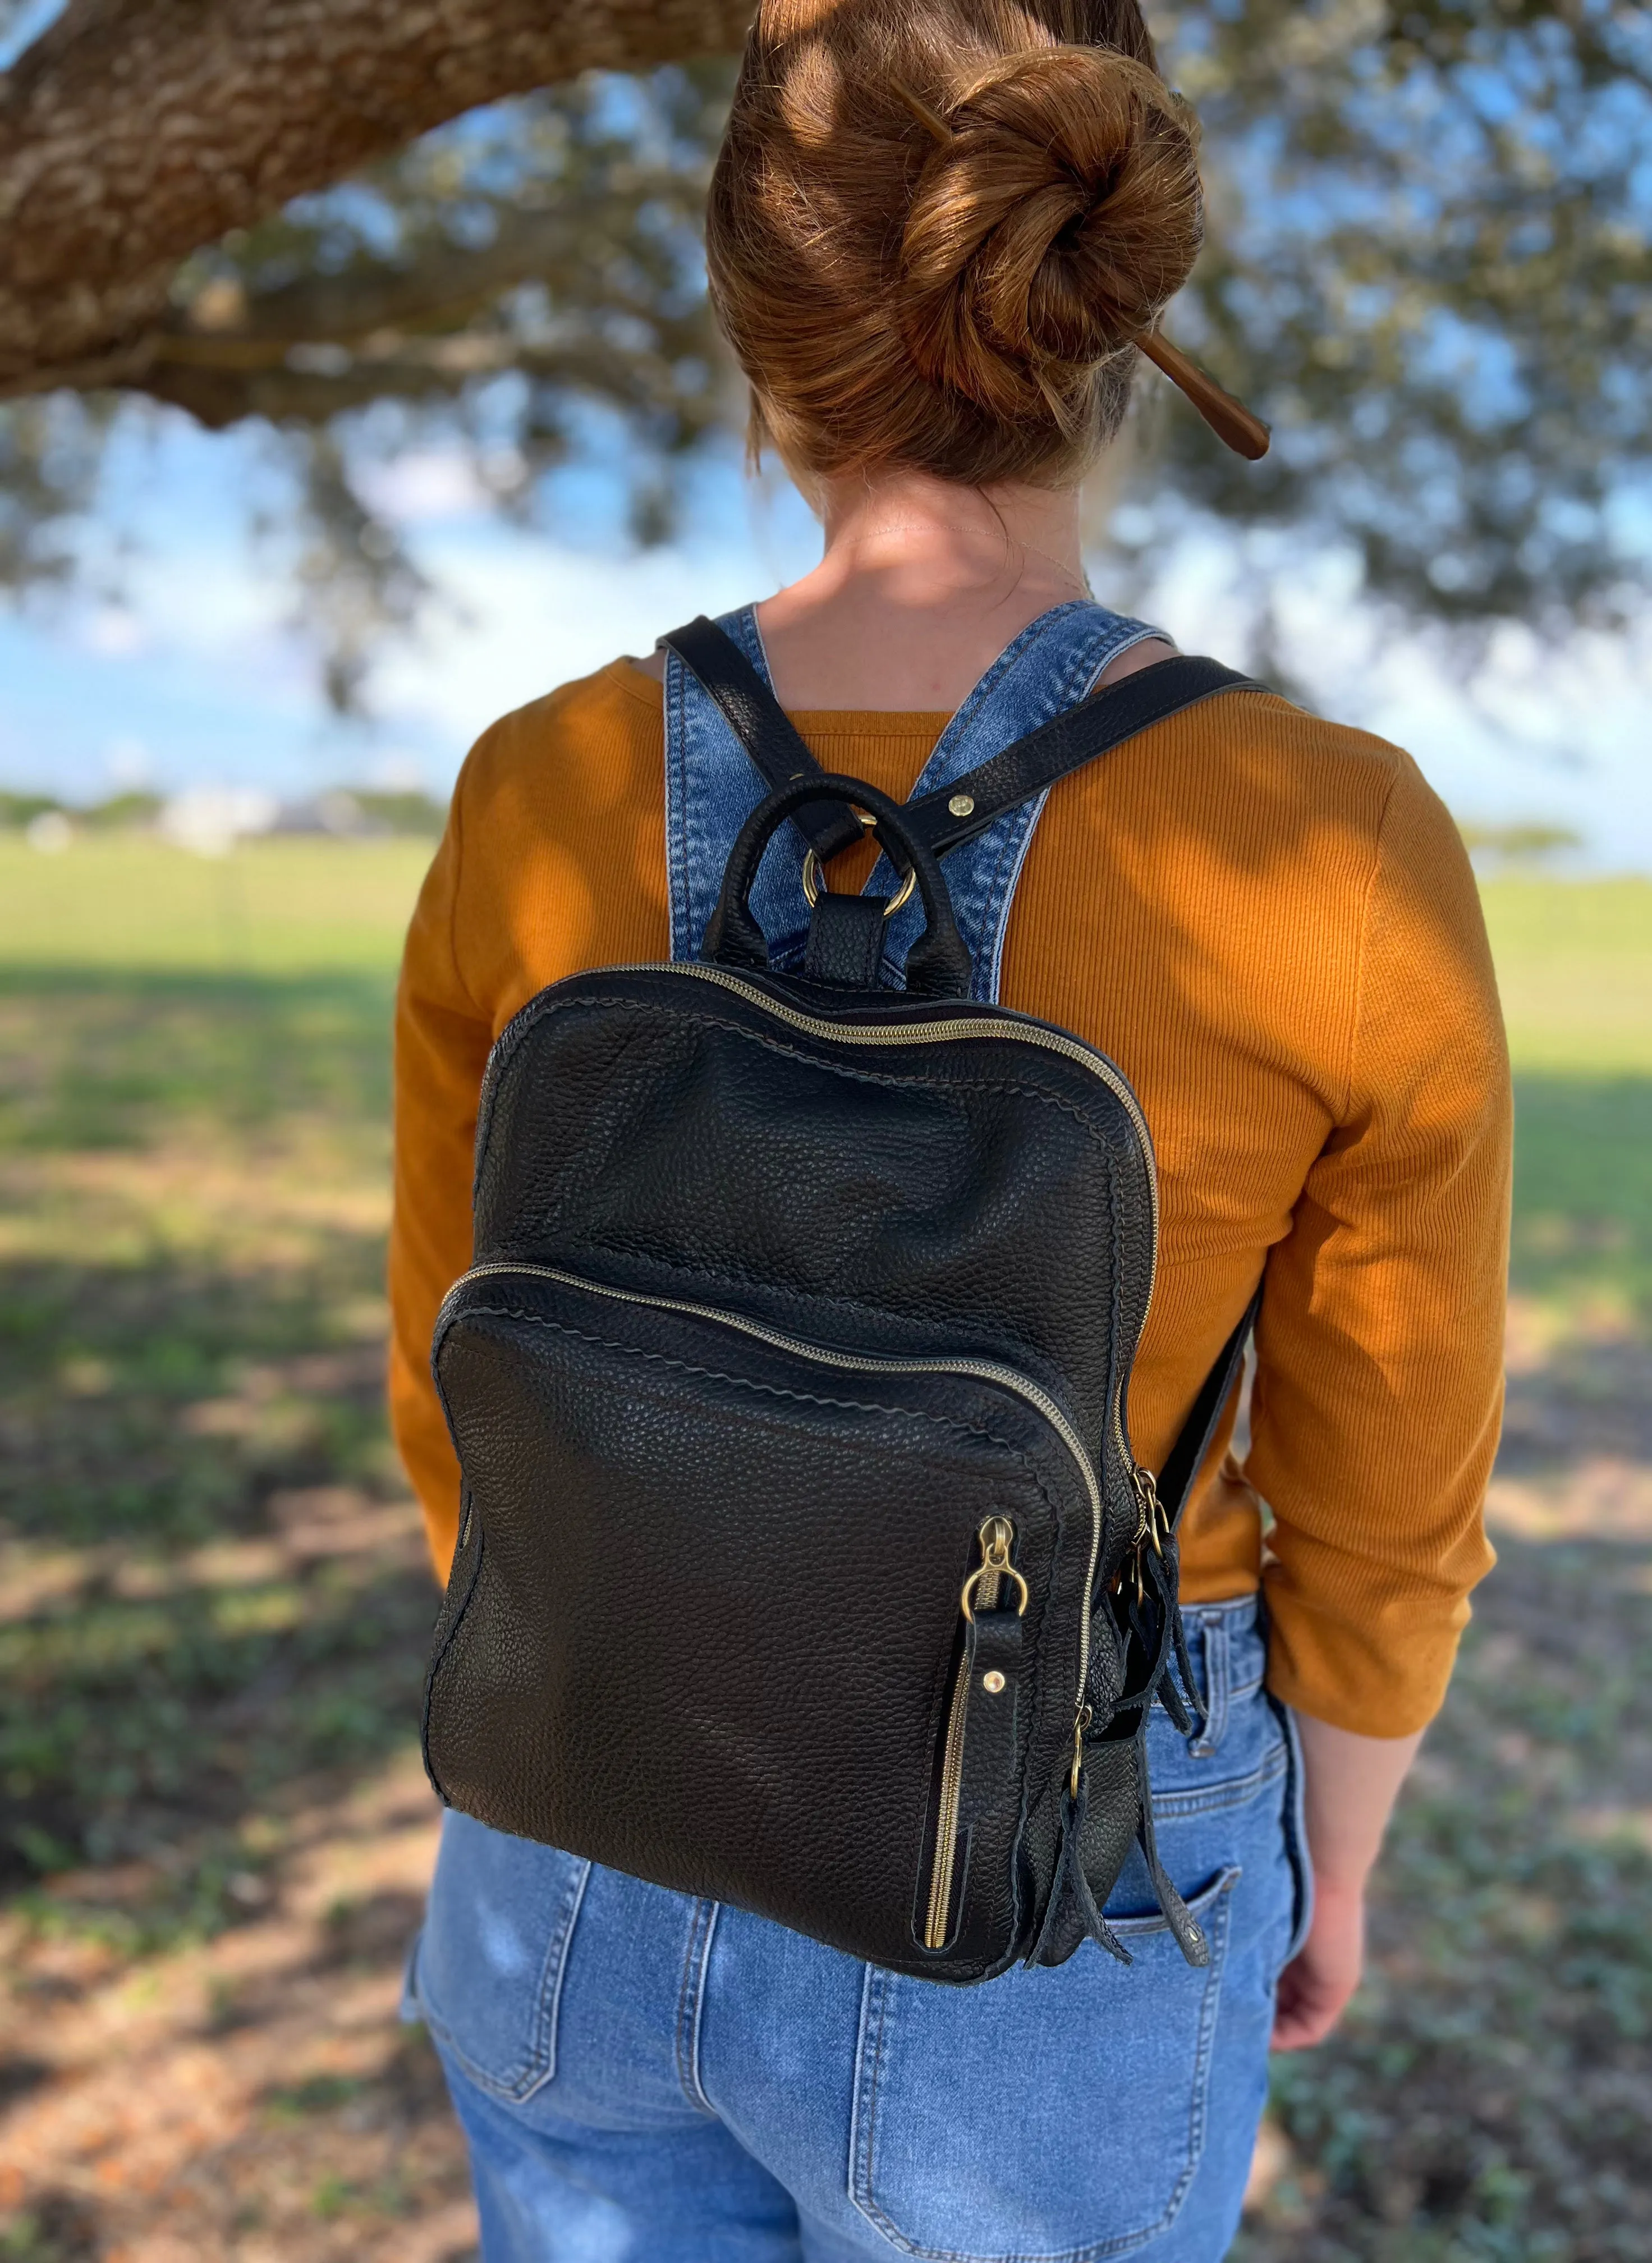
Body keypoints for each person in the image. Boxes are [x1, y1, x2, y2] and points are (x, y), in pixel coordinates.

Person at [388, 2, 1511, 2255]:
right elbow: (1388, 1490)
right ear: (1116, 311)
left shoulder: (543, 784)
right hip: (1055, 1865)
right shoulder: (1332, 847)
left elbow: (458, 1377)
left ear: (753, 319)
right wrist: (1331, 1853)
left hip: (574, 1829)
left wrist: (642, 1654)